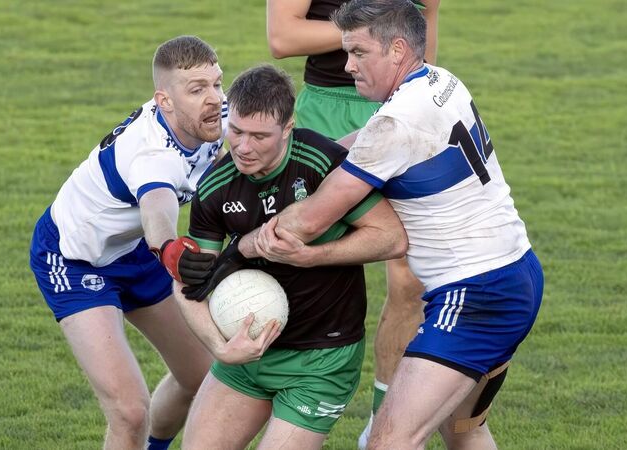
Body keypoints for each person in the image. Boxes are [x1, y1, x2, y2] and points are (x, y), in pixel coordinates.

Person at [241, 1, 544, 448]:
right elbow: (354, 146)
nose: (348, 66)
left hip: (475, 296)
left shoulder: (395, 123)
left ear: (398, 49)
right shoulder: (442, 81)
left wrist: (242, 246)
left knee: (387, 441)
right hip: (516, 272)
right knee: (463, 430)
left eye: (358, 53)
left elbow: (308, 220)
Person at [171, 64, 408, 450]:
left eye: (259, 136)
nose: (243, 148)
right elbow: (189, 284)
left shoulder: (322, 162)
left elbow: (391, 238)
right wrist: (220, 347)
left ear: (288, 127)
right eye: (237, 131)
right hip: (248, 354)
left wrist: (311, 256)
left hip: (321, 358)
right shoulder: (215, 187)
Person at [28, 36, 227, 450]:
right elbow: (157, 209)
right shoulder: (149, 154)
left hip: (134, 249)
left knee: (203, 377)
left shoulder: (213, 116)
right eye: (197, 89)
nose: (213, 99)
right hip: (74, 259)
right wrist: (169, 248)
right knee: (130, 412)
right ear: (164, 101)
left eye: (216, 83)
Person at [266, 3, 440, 446]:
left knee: (412, 277)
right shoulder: (363, 42)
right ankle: (270, 397)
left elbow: (425, 31)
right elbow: (282, 37)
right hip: (328, 110)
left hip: (400, 103)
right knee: (293, 262)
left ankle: (384, 425)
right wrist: (371, 35)